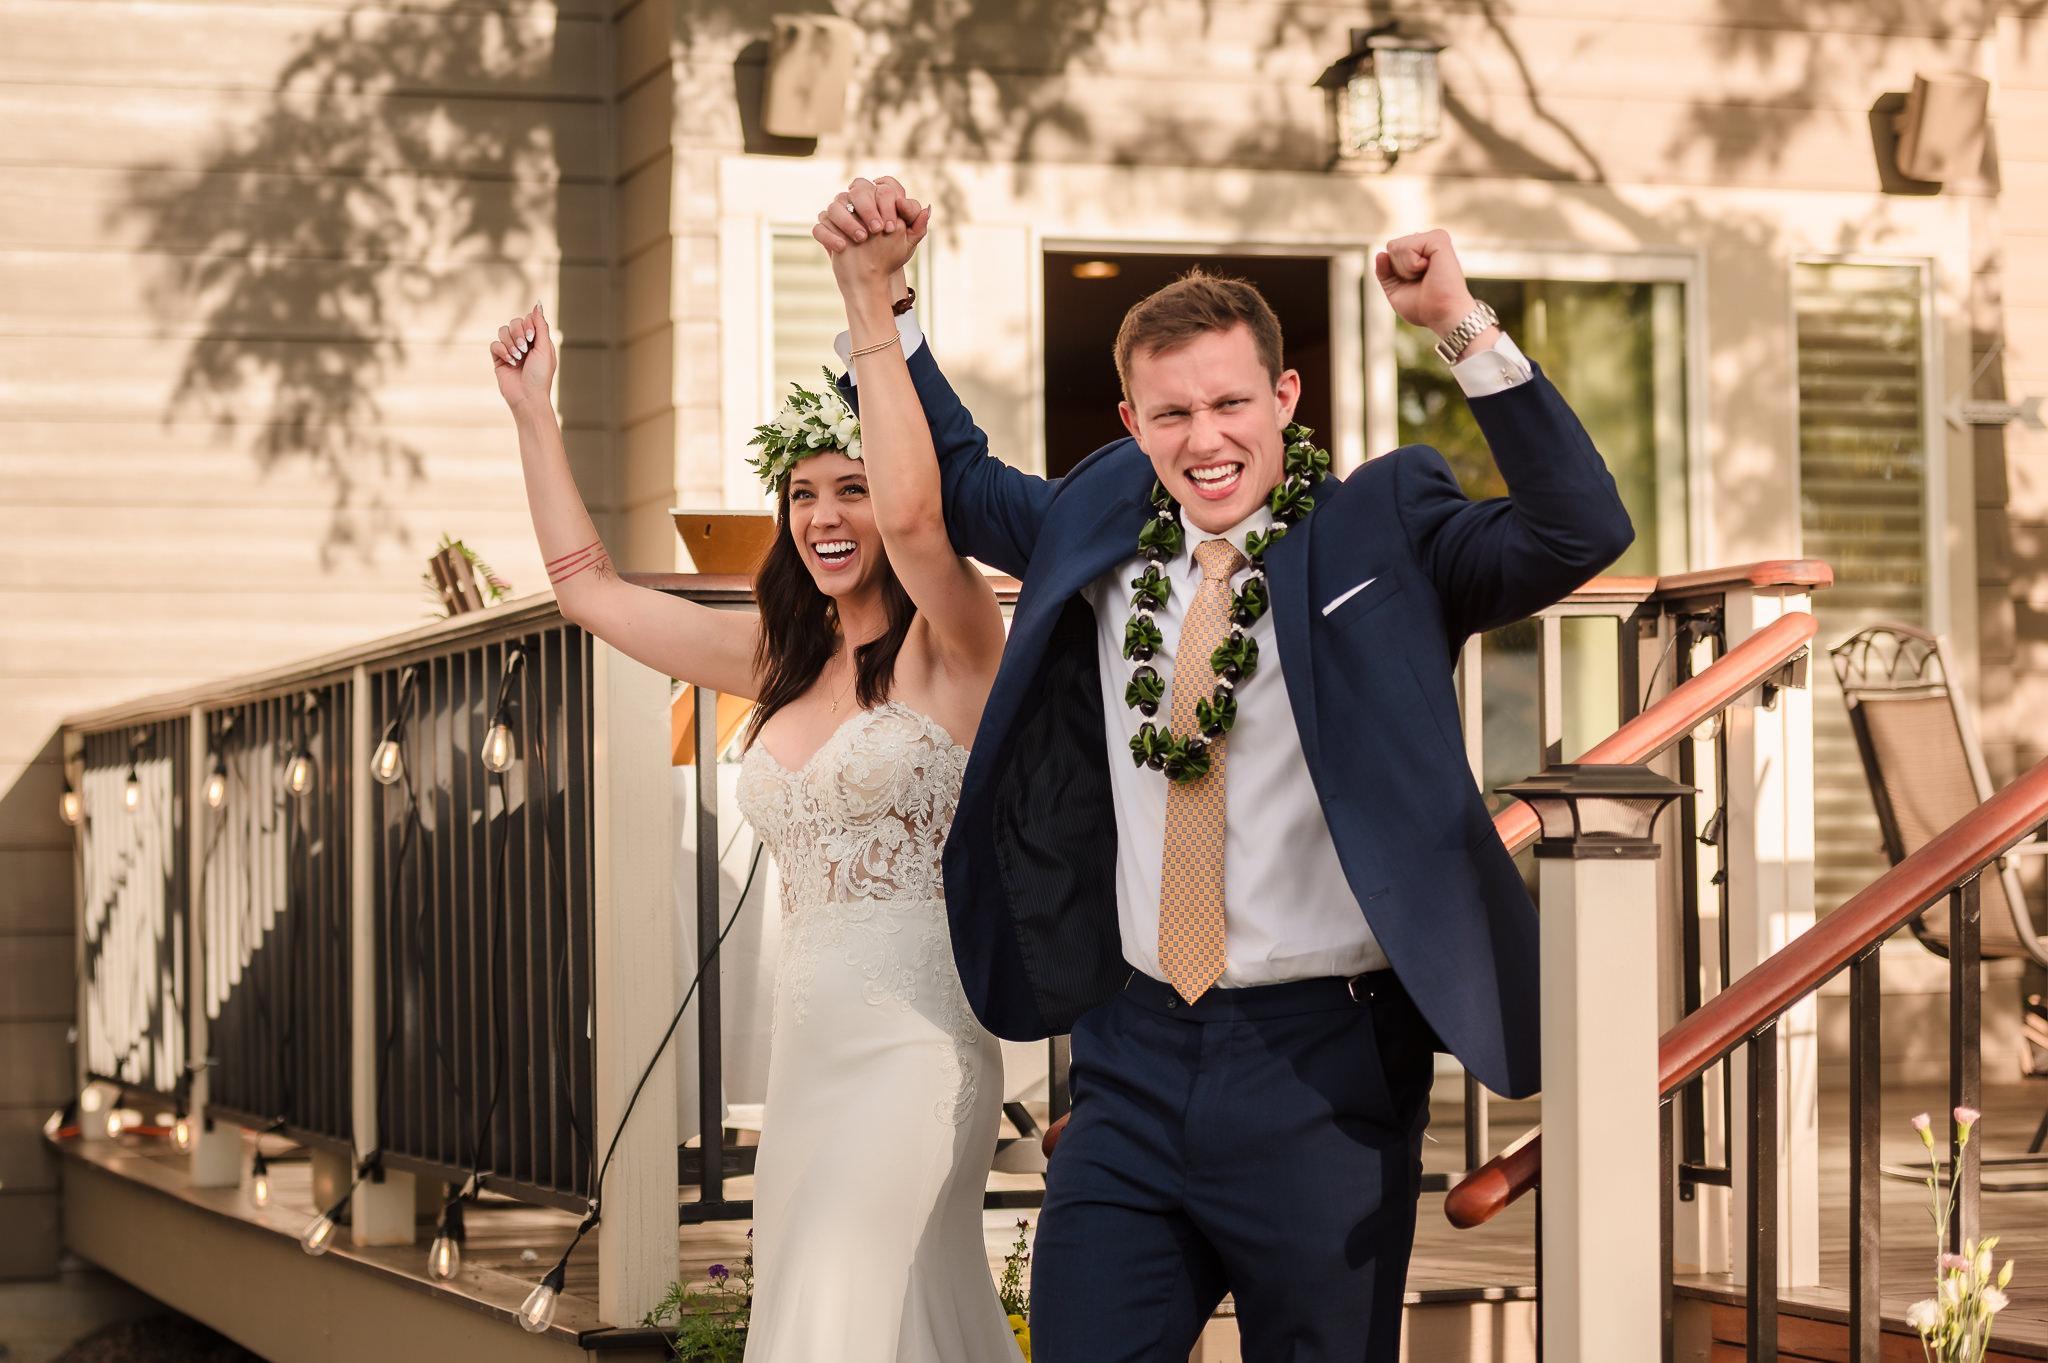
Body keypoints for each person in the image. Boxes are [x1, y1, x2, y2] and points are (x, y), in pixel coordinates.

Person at [815, 177, 1634, 1360]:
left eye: (1230, 403)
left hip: (1322, 1067)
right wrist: (882, 300)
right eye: (1171, 414)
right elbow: (951, 472)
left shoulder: (1381, 527)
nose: (1204, 440)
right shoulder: (1098, 519)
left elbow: (1577, 527)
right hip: (1130, 1053)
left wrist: (1457, 322)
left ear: (1283, 398)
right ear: (1131, 420)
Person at [488, 206, 1024, 1360]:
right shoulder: (773, 660)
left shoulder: (955, 643)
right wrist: (534, 414)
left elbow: (922, 513)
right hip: (809, 1054)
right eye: (803, 493)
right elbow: (588, 591)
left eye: (851, 488)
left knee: (844, 1304)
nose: (825, 515)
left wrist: (868, 304)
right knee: (846, 1308)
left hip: (919, 1045)